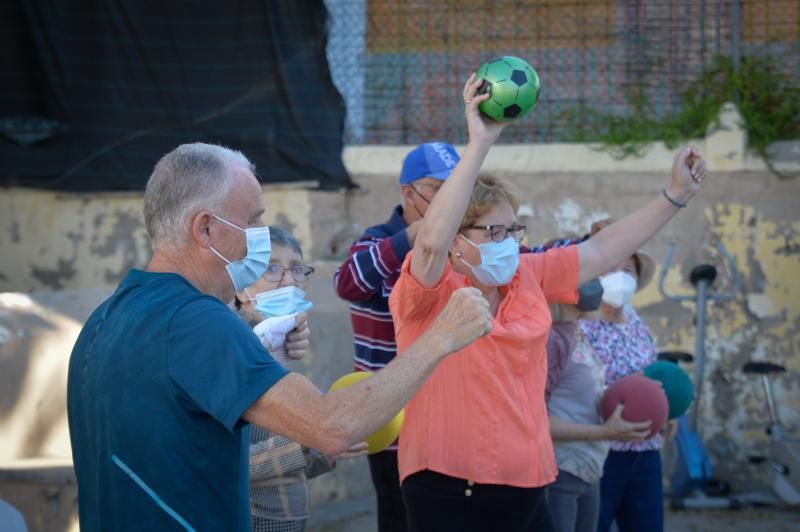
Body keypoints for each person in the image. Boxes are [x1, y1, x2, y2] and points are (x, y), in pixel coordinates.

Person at [66, 142, 494, 531]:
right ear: (205, 230)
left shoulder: (105, 318)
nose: (261, 236)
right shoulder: (197, 322)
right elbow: (332, 427)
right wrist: (441, 337)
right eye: (253, 220)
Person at [388, 74, 707, 531]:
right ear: (458, 241)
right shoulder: (429, 290)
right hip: (445, 484)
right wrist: (480, 141)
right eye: (492, 232)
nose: (506, 243)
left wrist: (674, 196)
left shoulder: (526, 276)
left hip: (529, 479)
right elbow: (430, 244)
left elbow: (601, 251)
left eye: (512, 231)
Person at [334, 140, 461, 532]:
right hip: (392, 424)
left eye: (459, 188)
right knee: (400, 519)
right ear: (409, 193)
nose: (453, 200)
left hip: (447, 420)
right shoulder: (378, 241)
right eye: (441, 190)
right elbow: (347, 282)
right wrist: (411, 236)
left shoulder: (458, 244)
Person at [233, 227, 367, 532]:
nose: (289, 280)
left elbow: (288, 465)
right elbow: (228, 464)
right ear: (241, 289)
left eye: (296, 268)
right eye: (272, 268)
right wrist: (311, 442)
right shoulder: (232, 350)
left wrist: (330, 446)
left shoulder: (279, 348)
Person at [578, 219, 678, 532]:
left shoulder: (635, 321)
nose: (620, 278)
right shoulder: (577, 327)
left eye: (628, 271)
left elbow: (648, 374)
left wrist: (666, 409)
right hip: (602, 452)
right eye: (610, 269)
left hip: (645, 453)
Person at [545, 282, 651, 532]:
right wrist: (603, 433)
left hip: (591, 469)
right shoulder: (551, 340)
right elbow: (535, 419)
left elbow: (585, 397)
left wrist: (639, 395)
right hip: (561, 472)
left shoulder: (579, 331)